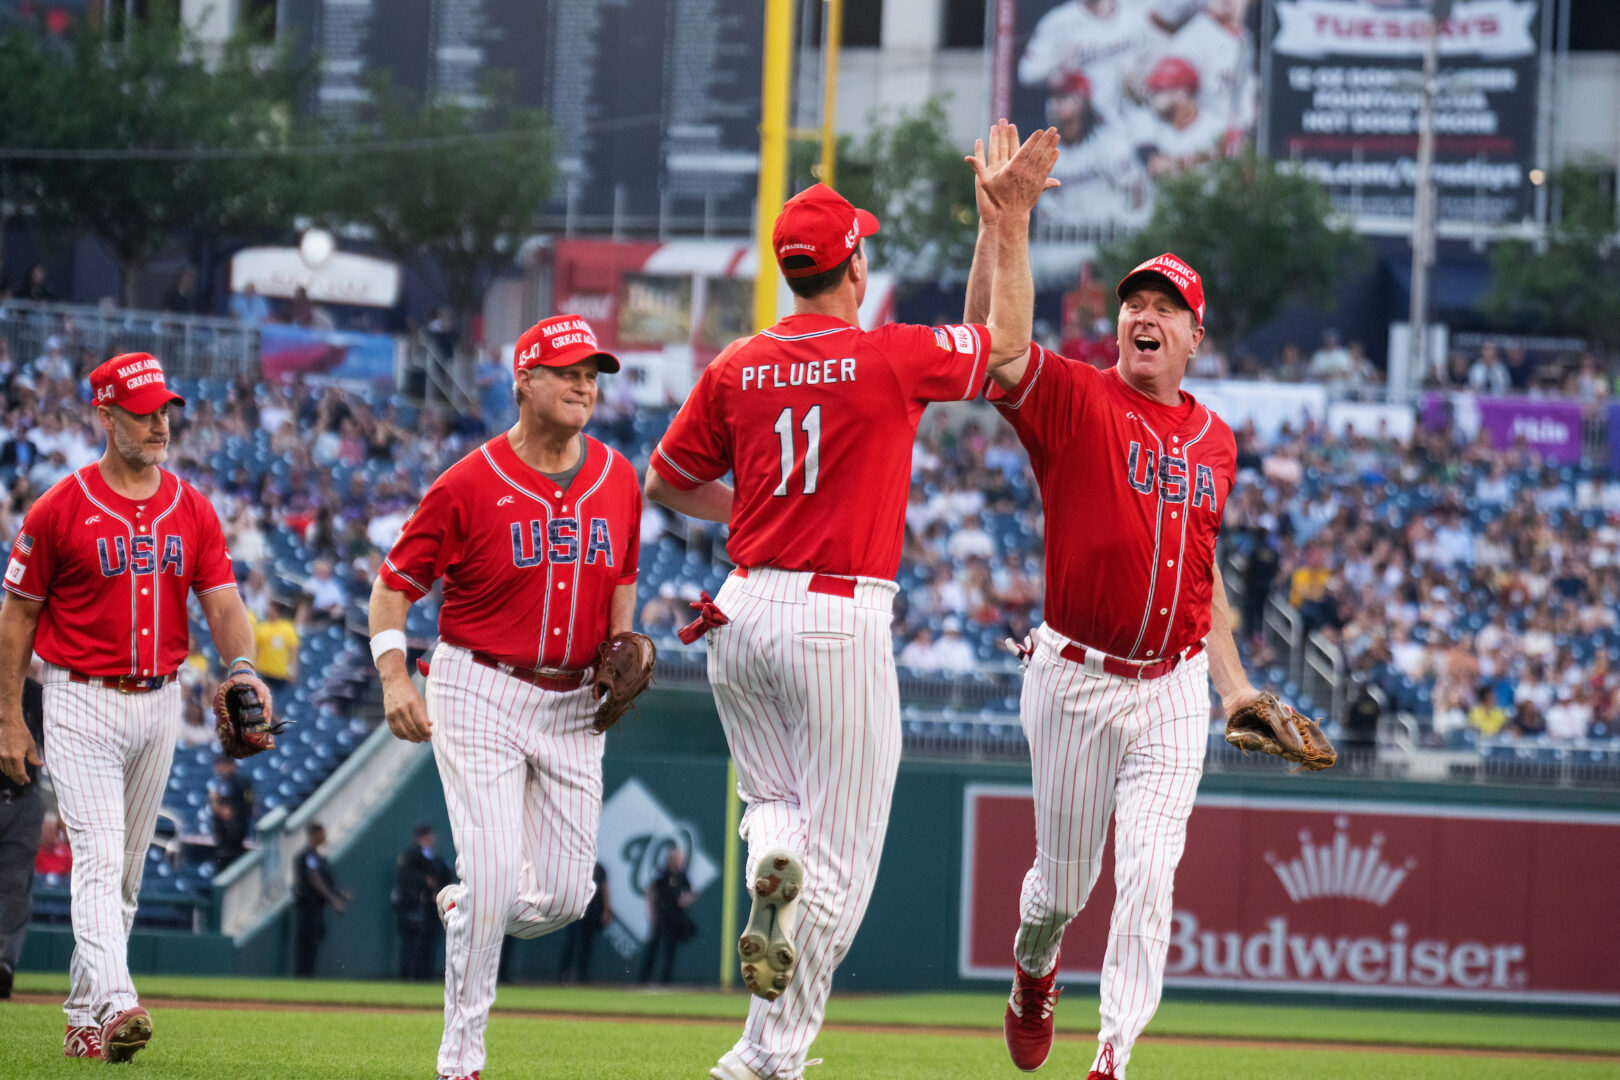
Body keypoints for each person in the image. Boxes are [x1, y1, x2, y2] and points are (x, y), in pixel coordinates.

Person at [644, 124, 1055, 1080]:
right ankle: (766, 1044)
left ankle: (770, 939)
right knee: (841, 865)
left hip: (740, 610)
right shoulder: (886, 357)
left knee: (774, 807)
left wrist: (757, 509)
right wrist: (1009, 224)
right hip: (835, 615)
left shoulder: (737, 364)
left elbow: (664, 481)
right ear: (855, 265)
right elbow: (1006, 347)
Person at [967, 150, 1256, 1072]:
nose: (1145, 316)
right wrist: (1002, 225)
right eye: (1136, 303)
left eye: (1166, 307)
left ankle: (1111, 1056)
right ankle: (1034, 968)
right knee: (1063, 889)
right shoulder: (1077, 397)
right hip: (1075, 679)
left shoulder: (1216, 441)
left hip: (1171, 688)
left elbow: (1202, 578)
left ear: (1195, 336)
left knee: (1150, 872)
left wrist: (1236, 689)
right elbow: (992, 344)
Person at [368, 312, 641, 1080]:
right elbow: (391, 589)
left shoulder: (618, 477)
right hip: (480, 685)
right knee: (490, 871)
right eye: (567, 372)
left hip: (573, 702)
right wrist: (394, 676)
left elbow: (622, 577)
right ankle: (461, 1059)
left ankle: (471, 908)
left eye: (591, 374)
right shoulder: (467, 483)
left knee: (567, 898)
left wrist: (623, 645)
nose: (584, 385)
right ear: (524, 380)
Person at [0, 352, 258, 1063]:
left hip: (160, 701)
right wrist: (9, 716)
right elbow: (17, 616)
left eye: (164, 410)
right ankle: (119, 1002)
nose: (159, 424)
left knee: (126, 876)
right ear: (106, 415)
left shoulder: (191, 507)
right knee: (98, 856)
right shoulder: (59, 506)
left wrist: (242, 667)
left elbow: (224, 603)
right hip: (78, 696)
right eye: (142, 413)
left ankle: (83, 1017)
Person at [0, 675, 45, 999]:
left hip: (24, 800)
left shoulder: (35, 694)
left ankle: (4, 965)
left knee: (15, 888)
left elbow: (58, 749)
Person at [394, 823, 454, 981]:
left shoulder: (436, 858)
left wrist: (439, 890)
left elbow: (446, 877)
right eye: (428, 836)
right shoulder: (411, 855)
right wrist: (424, 881)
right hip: (414, 908)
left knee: (429, 944)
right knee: (411, 946)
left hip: (432, 909)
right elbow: (405, 878)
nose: (432, 839)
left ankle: (425, 977)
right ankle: (407, 978)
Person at [292, 822, 348, 976]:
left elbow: (326, 882)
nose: (324, 836)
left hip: (317, 907)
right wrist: (333, 900)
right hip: (308, 908)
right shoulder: (308, 856)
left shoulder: (318, 857)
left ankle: (307, 978)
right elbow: (315, 880)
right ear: (314, 834)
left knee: (313, 946)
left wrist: (339, 895)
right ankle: (303, 979)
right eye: (322, 833)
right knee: (307, 946)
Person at [638, 847, 696, 984]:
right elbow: (651, 892)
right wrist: (651, 911)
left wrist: (685, 900)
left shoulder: (682, 875)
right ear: (670, 859)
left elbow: (690, 893)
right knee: (654, 946)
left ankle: (666, 979)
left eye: (680, 859)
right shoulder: (661, 873)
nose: (679, 861)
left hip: (676, 916)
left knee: (670, 948)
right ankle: (645, 978)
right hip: (662, 914)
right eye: (677, 858)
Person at [556, 861, 611, 984]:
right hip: (575, 911)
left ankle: (582, 976)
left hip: (590, 913)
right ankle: (563, 975)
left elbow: (605, 890)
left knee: (585, 945)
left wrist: (606, 911)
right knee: (571, 942)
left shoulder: (598, 868)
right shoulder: (575, 865)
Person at [207, 755, 254, 871]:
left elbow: (227, 813)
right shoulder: (235, 783)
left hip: (231, 842)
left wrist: (214, 800)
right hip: (231, 841)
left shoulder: (234, 784)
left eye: (223, 764)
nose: (219, 768)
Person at [252, 599, 299, 697]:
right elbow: (255, 649)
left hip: (279, 673)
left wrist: (293, 671)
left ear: (276, 610)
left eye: (271, 608)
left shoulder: (288, 629)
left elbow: (293, 652)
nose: (268, 610)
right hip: (262, 671)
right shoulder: (261, 628)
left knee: (275, 700)